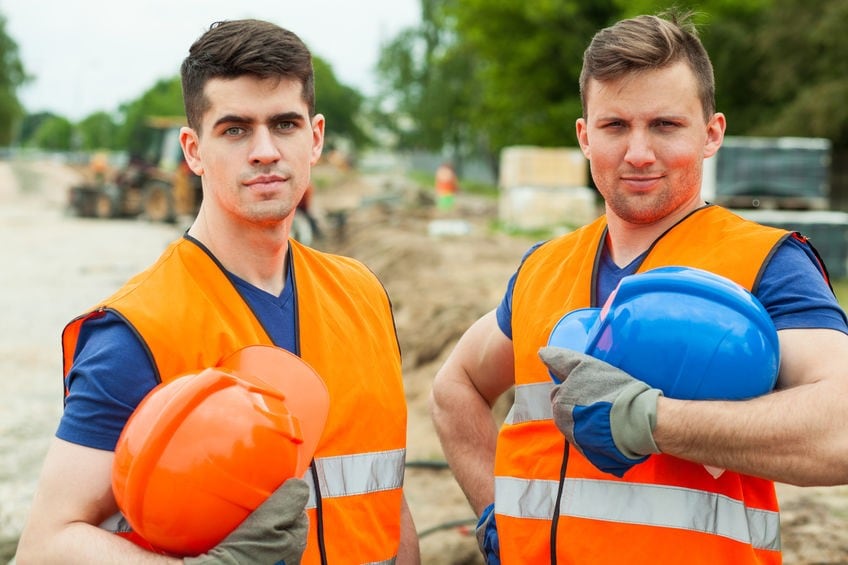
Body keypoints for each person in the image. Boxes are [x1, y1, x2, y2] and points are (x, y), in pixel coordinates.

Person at [430, 10, 848, 564]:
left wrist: (654, 422)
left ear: (711, 133)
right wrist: (496, 517)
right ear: (584, 136)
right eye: (615, 126)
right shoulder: (544, 267)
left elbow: (840, 427)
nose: (639, 153)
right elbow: (453, 387)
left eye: (665, 125)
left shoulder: (766, 264)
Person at [17, 19, 419, 564]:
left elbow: (385, 500)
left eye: (284, 124)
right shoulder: (138, 330)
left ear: (316, 137)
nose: (264, 151)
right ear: (193, 149)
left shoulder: (364, 295)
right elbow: (46, 545)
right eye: (234, 129)